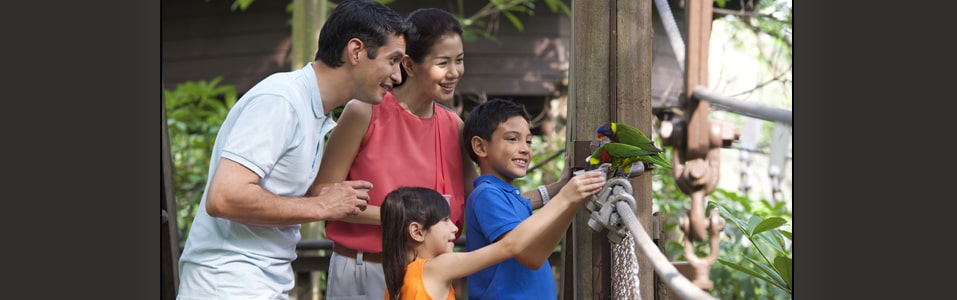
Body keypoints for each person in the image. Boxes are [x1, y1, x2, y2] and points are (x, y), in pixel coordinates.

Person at [313, 8, 572, 300]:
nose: (455, 72)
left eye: (459, 60)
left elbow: (487, 201)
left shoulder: (454, 127)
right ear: (409, 65)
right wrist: (404, 218)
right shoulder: (364, 111)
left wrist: (558, 190)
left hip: (429, 279)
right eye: (443, 62)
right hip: (365, 270)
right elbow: (323, 192)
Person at [175, 1, 410, 299]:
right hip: (228, 284)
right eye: (393, 60)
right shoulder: (282, 100)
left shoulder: (315, 111)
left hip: (259, 282)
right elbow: (224, 197)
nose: (398, 76)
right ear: (356, 51)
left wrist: (321, 198)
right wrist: (322, 207)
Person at [381, 181, 604, 300]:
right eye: (445, 220)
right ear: (417, 232)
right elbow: (510, 245)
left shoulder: (397, 280)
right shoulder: (434, 268)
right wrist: (565, 197)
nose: (454, 227)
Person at [463, 98, 590, 299]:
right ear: (480, 147)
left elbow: (524, 201)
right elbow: (532, 256)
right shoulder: (486, 195)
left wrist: (559, 186)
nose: (525, 148)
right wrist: (568, 201)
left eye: (528, 141)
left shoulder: (503, 194)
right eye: (512, 139)